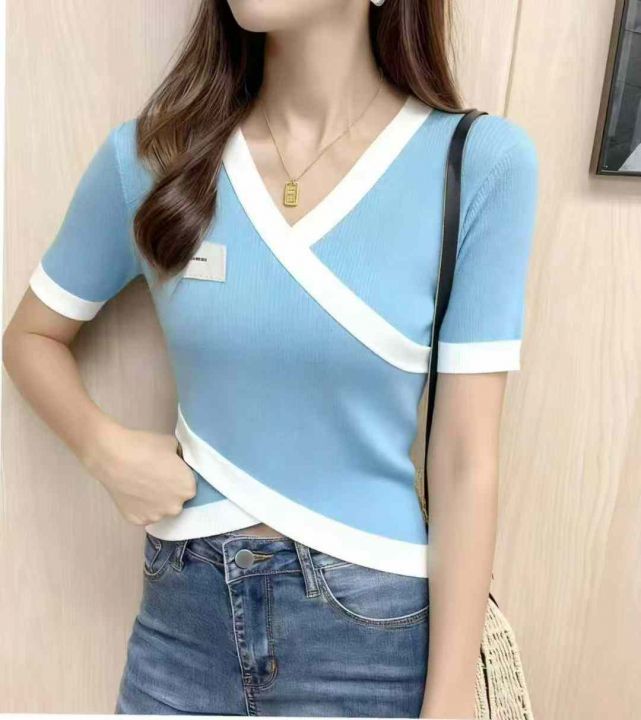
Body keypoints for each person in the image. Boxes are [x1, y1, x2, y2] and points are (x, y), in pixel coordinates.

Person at [2, 0, 539, 717]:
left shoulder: (477, 164)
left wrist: (449, 702)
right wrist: (104, 449)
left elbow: (467, 460)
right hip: (180, 627)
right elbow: (30, 337)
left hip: (370, 638)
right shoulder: (155, 158)